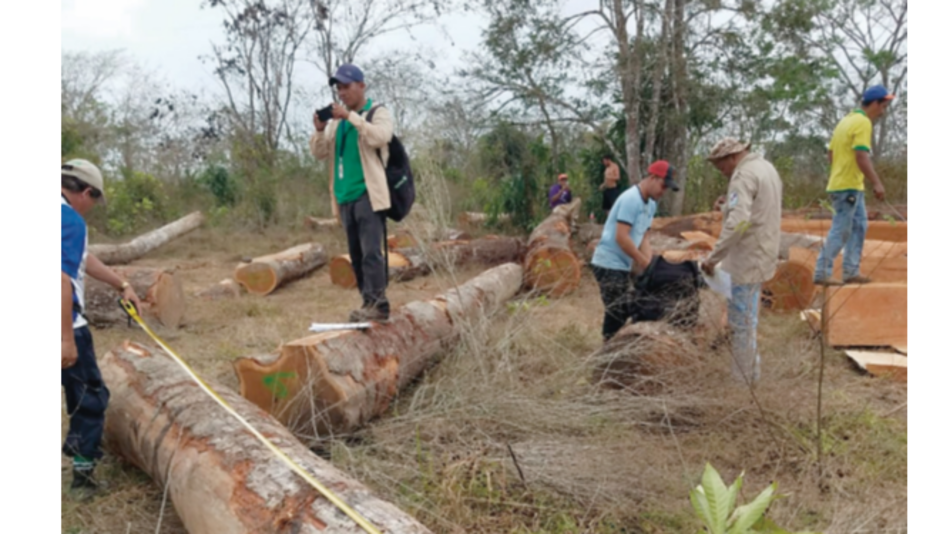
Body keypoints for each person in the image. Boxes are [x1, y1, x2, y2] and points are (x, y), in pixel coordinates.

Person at [60, 159, 143, 498]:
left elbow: (81, 258)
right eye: (94, 200)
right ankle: (83, 479)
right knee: (89, 399)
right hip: (67, 326)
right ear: (87, 192)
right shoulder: (68, 220)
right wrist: (66, 338)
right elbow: (62, 277)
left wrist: (121, 283)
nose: (92, 208)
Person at [310, 64, 396, 323]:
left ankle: (379, 304)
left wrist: (351, 117)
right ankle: (367, 302)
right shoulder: (337, 125)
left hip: (368, 195)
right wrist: (319, 129)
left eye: (347, 86)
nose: (342, 92)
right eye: (339, 88)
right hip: (345, 197)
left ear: (362, 86)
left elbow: (380, 137)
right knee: (357, 255)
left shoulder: (376, 113)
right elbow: (319, 153)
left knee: (372, 252)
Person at [701, 139, 783, 387]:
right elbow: (754, 210)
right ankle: (749, 374)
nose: (722, 172)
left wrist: (713, 257)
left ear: (732, 157)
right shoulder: (766, 168)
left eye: (721, 166)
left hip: (745, 259)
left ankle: (743, 381)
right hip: (763, 252)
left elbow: (739, 222)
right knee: (749, 319)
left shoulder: (742, 176)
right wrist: (727, 207)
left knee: (741, 325)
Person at [813, 85, 895, 286]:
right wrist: (876, 182)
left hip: (849, 185)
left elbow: (831, 154)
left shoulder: (846, 121)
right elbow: (861, 155)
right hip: (847, 187)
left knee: (859, 226)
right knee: (841, 228)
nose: (883, 112)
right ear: (875, 103)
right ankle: (822, 271)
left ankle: (851, 271)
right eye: (883, 106)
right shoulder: (862, 122)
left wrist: (842, 171)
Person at [591, 161, 679, 341]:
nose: (663, 191)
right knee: (618, 309)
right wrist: (643, 262)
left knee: (636, 304)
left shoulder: (651, 204)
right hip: (608, 262)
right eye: (663, 186)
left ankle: (620, 347)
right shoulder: (631, 199)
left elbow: (644, 237)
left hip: (624, 264)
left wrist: (650, 267)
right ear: (653, 178)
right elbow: (622, 237)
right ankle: (608, 351)